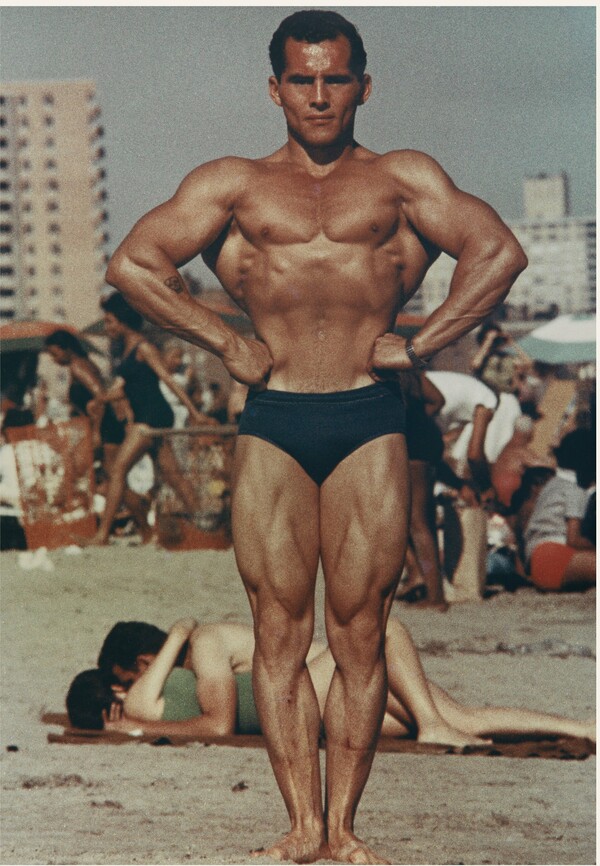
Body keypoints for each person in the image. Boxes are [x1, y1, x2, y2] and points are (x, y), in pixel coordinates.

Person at [103, 11, 527, 862]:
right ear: (276, 88)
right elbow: (133, 264)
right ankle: (301, 826)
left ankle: (345, 829)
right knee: (277, 630)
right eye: (304, 79)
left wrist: (426, 338)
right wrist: (222, 339)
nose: (321, 95)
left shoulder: (403, 179)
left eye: (337, 79)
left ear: (365, 85)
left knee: (361, 630)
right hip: (275, 419)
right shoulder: (233, 185)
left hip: (371, 416)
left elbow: (497, 250)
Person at [66, 618, 594, 750]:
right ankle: (433, 725)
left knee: (463, 716)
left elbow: (224, 717)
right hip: (325, 687)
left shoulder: (204, 644)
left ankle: (585, 726)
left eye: (136, 673)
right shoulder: (195, 653)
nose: (140, 685)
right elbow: (235, 711)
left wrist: (135, 724)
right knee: (463, 717)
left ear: (144, 659)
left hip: (328, 681)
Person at [85, 293, 207, 545]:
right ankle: (202, 524)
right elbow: (123, 388)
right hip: (148, 415)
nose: (107, 328)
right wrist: (100, 400)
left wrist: (194, 413)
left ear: (122, 321)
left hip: (153, 415)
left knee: (118, 469)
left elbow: (168, 380)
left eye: (109, 322)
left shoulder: (143, 348)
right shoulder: (126, 350)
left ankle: (102, 534)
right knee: (172, 475)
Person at [523, 428, 595, 592]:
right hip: (554, 557)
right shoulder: (575, 490)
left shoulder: (553, 485)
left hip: (537, 559)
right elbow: (573, 539)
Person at [491, 415, 553, 509]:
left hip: (496, 497)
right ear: (530, 434)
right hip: (506, 504)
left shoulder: (506, 448)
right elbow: (546, 467)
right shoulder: (521, 452)